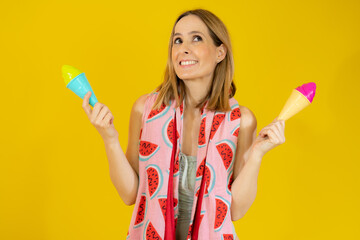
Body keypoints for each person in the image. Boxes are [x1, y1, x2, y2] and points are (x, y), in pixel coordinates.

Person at [82, 8, 285, 240]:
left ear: (220, 52)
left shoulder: (240, 121)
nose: (183, 48)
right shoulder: (146, 109)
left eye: (196, 38)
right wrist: (109, 138)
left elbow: (235, 211)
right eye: (177, 40)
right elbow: (130, 195)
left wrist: (257, 154)